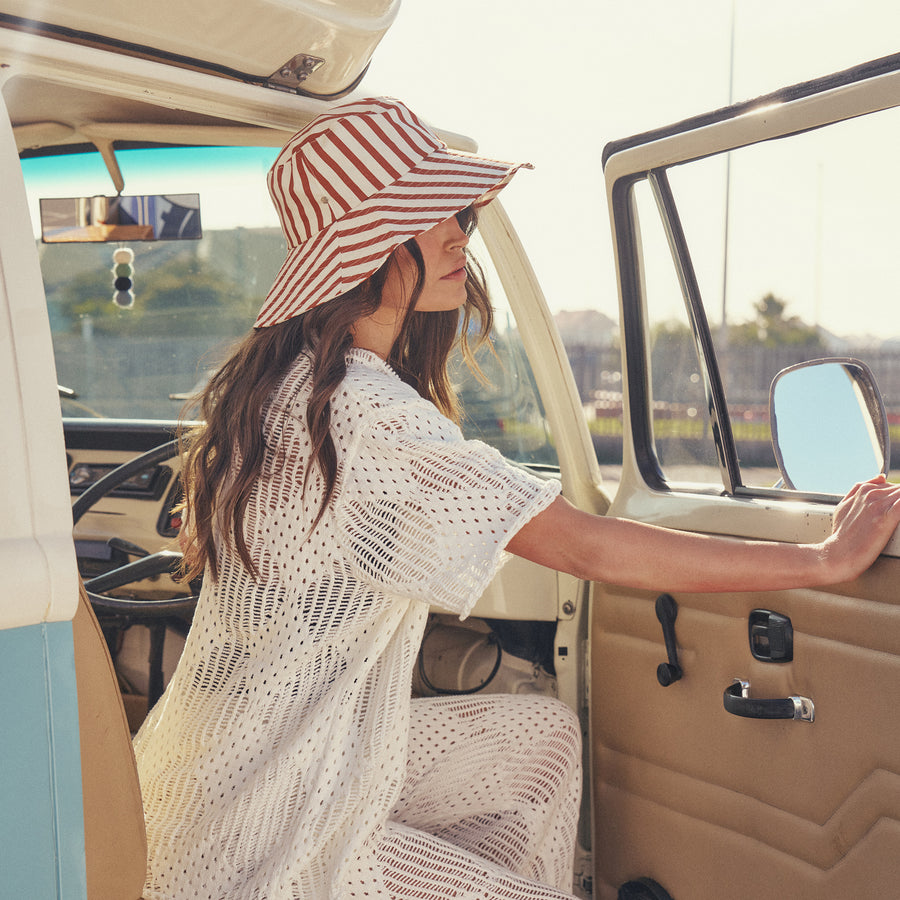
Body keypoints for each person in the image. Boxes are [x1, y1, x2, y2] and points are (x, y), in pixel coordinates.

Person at [133, 97, 900, 900]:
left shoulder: (285, 391)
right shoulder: (366, 418)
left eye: (456, 209)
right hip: (274, 842)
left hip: (211, 785)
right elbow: (586, 547)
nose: (459, 229)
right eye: (429, 212)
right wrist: (820, 558)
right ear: (368, 247)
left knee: (538, 740)